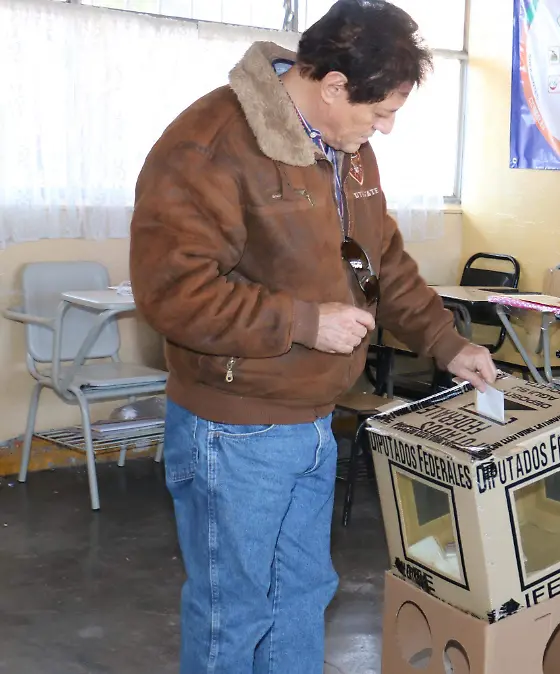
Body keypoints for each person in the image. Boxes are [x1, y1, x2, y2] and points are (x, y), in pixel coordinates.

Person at [129, 2, 497, 672]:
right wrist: (305, 320)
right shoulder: (210, 145)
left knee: (301, 594)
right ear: (331, 85)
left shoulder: (348, 154)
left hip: (311, 419)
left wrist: (449, 344)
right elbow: (171, 294)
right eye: (379, 111)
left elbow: (382, 264)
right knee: (233, 613)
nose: (385, 127)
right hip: (233, 430)